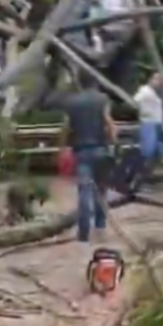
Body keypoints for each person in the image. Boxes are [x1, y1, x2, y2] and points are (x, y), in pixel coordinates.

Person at [59, 69, 117, 243]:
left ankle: (83, 232)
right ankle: (100, 227)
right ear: (95, 82)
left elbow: (66, 127)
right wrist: (114, 143)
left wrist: (62, 147)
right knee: (101, 191)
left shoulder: (71, 102)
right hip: (101, 149)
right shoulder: (103, 99)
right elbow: (108, 122)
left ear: (80, 83)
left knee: (84, 191)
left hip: (81, 151)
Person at [133, 72, 163, 168]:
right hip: (149, 122)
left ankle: (151, 168)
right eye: (156, 79)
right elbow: (136, 101)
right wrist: (144, 112)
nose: (158, 82)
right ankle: (142, 167)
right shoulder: (144, 91)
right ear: (150, 80)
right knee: (149, 149)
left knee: (158, 148)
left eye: (159, 79)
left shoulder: (155, 92)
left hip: (157, 121)